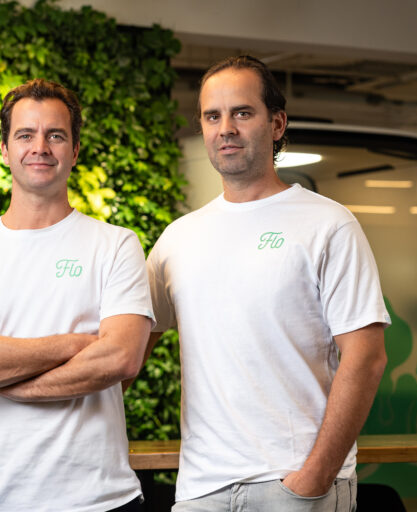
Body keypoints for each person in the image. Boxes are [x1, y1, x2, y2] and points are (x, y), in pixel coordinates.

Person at [145, 56, 390, 511]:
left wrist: (313, 477)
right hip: (202, 489)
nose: (226, 128)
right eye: (212, 116)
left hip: (294, 486)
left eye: (242, 112)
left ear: (276, 124)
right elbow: (123, 351)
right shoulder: (177, 239)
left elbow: (367, 358)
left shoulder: (328, 224)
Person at [0, 79, 154, 512]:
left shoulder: (115, 245)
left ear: (75, 149)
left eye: (55, 135)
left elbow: (121, 358)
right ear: (4, 149)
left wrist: (11, 380)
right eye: (25, 135)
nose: (41, 147)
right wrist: (77, 345)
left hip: (98, 500)